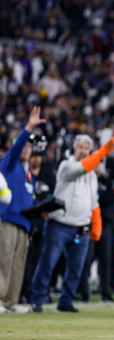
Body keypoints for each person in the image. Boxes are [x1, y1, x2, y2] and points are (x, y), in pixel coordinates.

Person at [31, 135, 114, 313]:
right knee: (48, 263)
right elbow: (83, 167)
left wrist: (96, 227)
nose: (84, 151)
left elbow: (94, 204)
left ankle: (66, 301)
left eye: (87, 148)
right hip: (59, 224)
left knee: (76, 268)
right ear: (75, 149)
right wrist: (102, 152)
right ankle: (37, 299)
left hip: (81, 227)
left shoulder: (92, 175)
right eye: (81, 147)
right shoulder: (66, 165)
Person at [0, 107, 46, 314]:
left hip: (25, 224)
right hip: (8, 219)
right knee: (4, 261)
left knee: (18, 265)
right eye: (25, 145)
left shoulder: (29, 175)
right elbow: (16, 148)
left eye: (30, 146)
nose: (27, 148)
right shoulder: (9, 164)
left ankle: (10, 302)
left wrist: (41, 211)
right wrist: (28, 128)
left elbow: (29, 200)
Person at [20, 134, 53, 304]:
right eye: (35, 155)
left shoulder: (48, 176)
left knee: (43, 260)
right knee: (26, 260)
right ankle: (24, 292)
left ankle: (41, 291)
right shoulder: (24, 174)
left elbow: (54, 196)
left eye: (39, 156)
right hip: (27, 221)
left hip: (44, 224)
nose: (37, 159)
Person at [79, 163, 114, 302]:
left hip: (105, 224)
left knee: (106, 260)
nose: (96, 166)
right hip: (89, 224)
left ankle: (106, 292)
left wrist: (96, 198)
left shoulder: (106, 181)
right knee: (87, 259)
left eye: (99, 163)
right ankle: (83, 292)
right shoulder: (85, 179)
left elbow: (111, 198)